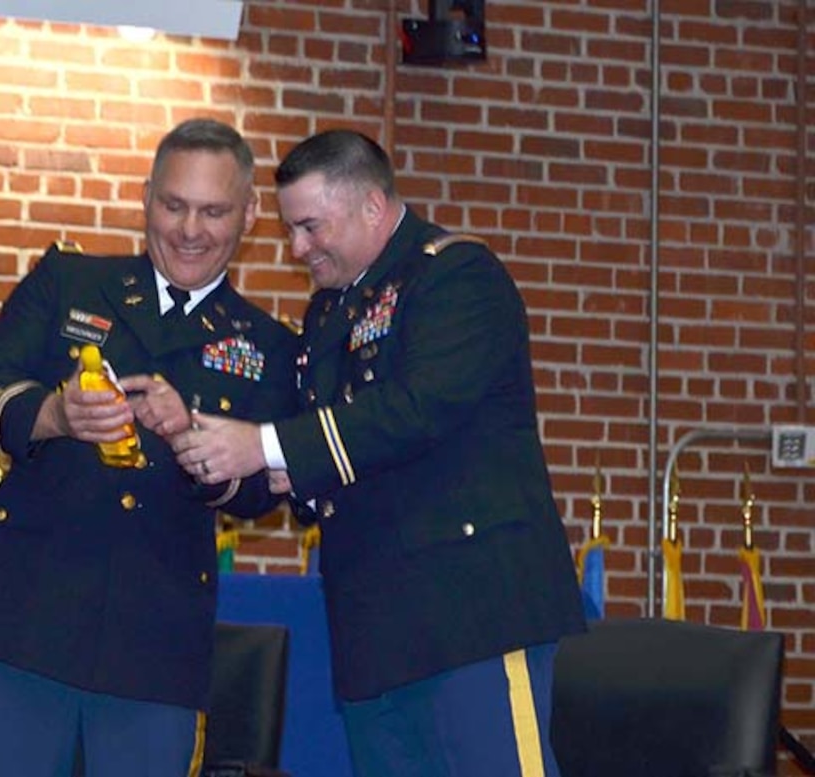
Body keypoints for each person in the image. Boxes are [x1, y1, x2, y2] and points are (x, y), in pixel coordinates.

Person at [171, 129, 587, 777]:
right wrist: (228, 461)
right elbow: (324, 453)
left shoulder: (455, 274)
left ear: (371, 205)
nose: (296, 247)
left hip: (470, 615)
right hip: (375, 626)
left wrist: (264, 445)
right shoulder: (329, 314)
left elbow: (417, 408)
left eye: (310, 227)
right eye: (289, 230)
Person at [0, 118, 298, 777]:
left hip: (154, 645)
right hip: (25, 619)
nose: (190, 229)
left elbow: (258, 496)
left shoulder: (269, 346)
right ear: (145, 197)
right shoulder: (69, 281)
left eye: (213, 210)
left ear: (248, 214)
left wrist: (189, 435)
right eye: (173, 204)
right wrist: (53, 412)